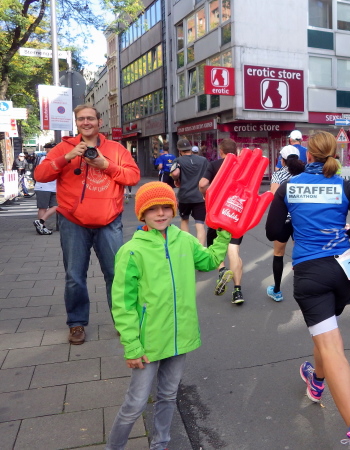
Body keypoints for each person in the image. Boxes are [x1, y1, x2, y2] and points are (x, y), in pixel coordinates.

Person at [265, 131, 350, 449]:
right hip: (342, 271)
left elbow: (273, 231)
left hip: (311, 274)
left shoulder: (290, 186)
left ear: (309, 156)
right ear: (334, 156)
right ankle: (316, 380)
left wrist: (295, 223)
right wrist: (347, 232)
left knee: (331, 346)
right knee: (325, 331)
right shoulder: (345, 185)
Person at [106, 181, 230, 450]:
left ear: (174, 209)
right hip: (148, 342)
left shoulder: (184, 239)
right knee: (135, 404)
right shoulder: (132, 251)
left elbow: (208, 261)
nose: (161, 213)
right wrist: (131, 345)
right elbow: (123, 305)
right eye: (153, 208)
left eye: (166, 207)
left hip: (180, 335)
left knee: (168, 395)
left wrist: (223, 236)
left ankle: (160, 444)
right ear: (142, 213)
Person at [34, 104, 140, 345]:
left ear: (99, 122)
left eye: (90, 118)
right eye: (81, 119)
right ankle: (76, 323)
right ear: (77, 123)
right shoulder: (64, 148)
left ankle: (123, 322)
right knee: (74, 276)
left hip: (109, 221)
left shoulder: (116, 149)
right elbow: (40, 175)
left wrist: (106, 165)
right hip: (73, 222)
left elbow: (133, 176)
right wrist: (67, 157)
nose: (86, 122)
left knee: (116, 274)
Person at [199, 138, 245, 304]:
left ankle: (222, 269)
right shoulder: (242, 166)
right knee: (234, 249)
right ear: (235, 150)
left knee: (216, 245)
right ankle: (237, 291)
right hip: (237, 212)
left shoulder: (214, 165)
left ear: (221, 151)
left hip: (218, 212)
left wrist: (207, 194)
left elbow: (202, 184)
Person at [266, 144, 305, 302]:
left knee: (278, 254)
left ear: (282, 160)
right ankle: (303, 289)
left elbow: (274, 196)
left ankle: (276, 290)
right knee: (301, 253)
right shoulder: (305, 174)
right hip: (300, 219)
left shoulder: (278, 175)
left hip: (283, 219)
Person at [171, 139, 209, 246]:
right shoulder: (203, 160)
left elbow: (175, 173)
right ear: (190, 148)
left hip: (185, 196)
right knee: (200, 224)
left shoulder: (178, 160)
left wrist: (176, 180)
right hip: (200, 196)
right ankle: (200, 248)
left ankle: (187, 246)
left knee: (184, 220)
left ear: (179, 150)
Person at [33, 144, 58, 235]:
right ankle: (42, 226)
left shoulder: (56, 158)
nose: (53, 149)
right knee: (43, 207)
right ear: (47, 149)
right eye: (51, 148)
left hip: (54, 187)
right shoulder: (43, 159)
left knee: (57, 206)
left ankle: (40, 222)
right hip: (43, 186)